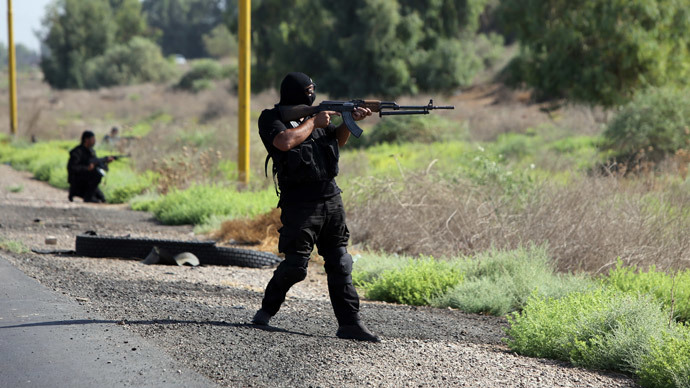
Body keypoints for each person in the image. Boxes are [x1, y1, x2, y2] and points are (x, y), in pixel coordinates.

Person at [252, 72, 379, 342]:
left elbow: (337, 141)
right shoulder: (271, 118)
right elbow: (284, 142)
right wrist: (313, 120)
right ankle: (267, 309)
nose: (312, 94)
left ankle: (350, 324)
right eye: (307, 90)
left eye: (314, 90)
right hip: (300, 203)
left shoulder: (320, 118)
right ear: (295, 93)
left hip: (331, 197)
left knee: (340, 262)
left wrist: (348, 121)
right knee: (297, 265)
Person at [67, 130, 113, 203]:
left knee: (102, 198)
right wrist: (87, 168)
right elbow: (72, 167)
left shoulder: (91, 151)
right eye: (93, 139)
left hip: (86, 178)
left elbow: (95, 161)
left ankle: (88, 195)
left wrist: (106, 161)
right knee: (96, 174)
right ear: (86, 139)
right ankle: (87, 197)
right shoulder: (77, 151)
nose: (94, 141)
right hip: (77, 179)